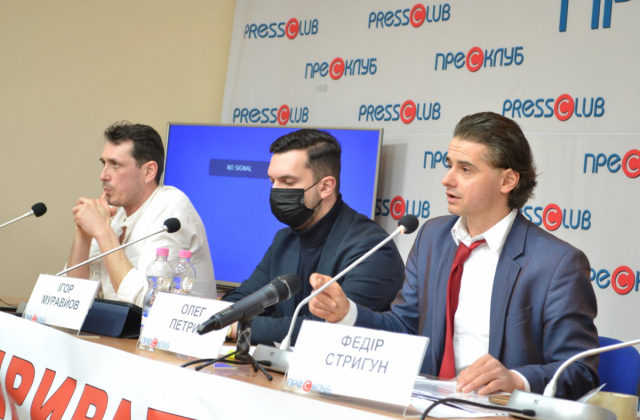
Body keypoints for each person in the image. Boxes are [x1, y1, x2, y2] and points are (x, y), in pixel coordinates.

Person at [309, 112, 599, 400]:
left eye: (466, 169)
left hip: (499, 410)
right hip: (423, 404)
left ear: (507, 180)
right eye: (449, 165)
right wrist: (347, 313)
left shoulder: (557, 263)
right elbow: (405, 328)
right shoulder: (432, 238)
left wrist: (515, 380)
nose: (447, 179)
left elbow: (580, 371)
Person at [223, 129, 405, 345]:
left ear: (325, 187)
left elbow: (327, 330)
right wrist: (224, 317)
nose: (275, 191)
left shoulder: (373, 248)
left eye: (288, 182)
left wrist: (238, 328)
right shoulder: (284, 240)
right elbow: (242, 301)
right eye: (272, 181)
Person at [65, 122, 216, 306]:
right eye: (104, 163)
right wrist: (83, 230)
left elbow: (147, 303)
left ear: (149, 171)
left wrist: (102, 231)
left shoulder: (171, 209)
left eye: (115, 164)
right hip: (122, 325)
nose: (103, 175)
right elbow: (74, 293)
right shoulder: (117, 213)